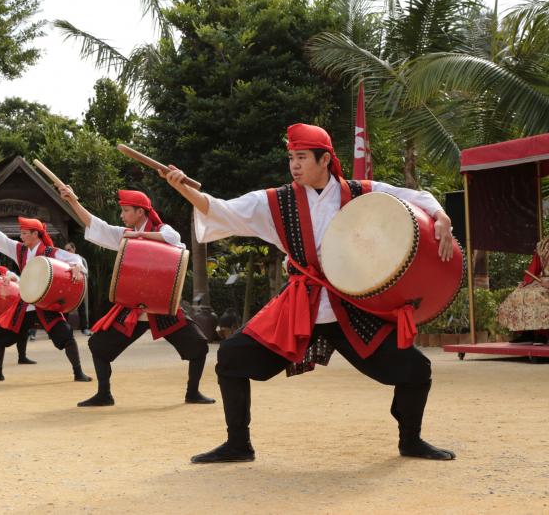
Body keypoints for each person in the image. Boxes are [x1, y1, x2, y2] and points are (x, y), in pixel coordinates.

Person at [163, 123, 456, 463]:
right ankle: (238, 445)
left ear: (326, 159)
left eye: (302, 157)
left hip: (352, 308)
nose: (294, 165)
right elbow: (221, 210)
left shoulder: (362, 193)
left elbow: (416, 199)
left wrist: (442, 217)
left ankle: (411, 440)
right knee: (230, 359)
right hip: (302, 307)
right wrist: (184, 189)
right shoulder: (276, 201)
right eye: (291, 158)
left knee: (416, 369)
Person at [59, 187, 215, 407]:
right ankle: (104, 394)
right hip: (134, 307)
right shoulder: (126, 235)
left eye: (126, 211)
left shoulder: (160, 230)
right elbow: (97, 226)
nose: (122, 216)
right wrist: (73, 201)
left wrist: (140, 235)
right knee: (98, 346)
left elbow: (175, 238)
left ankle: (193, 392)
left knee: (198, 344)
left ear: (141, 212)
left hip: (161, 306)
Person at [0, 206, 91, 383]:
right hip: (25, 303)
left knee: (65, 335)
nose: (21, 236)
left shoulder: (50, 252)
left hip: (45, 303)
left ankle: (78, 372)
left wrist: (77, 266)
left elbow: (75, 259)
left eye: (24, 233)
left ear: (35, 234)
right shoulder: (20, 250)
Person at [498, 237, 549, 344]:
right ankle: (528, 333)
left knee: (536, 296)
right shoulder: (543, 244)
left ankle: (543, 334)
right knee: (519, 294)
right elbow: (534, 268)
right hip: (543, 281)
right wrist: (526, 282)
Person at [63, 242, 90, 335]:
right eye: (65, 250)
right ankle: (64, 330)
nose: (67, 251)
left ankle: (85, 328)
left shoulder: (81, 259)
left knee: (82, 308)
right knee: (64, 308)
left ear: (74, 249)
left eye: (69, 249)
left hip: (78, 287)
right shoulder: (63, 260)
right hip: (66, 288)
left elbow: (86, 273)